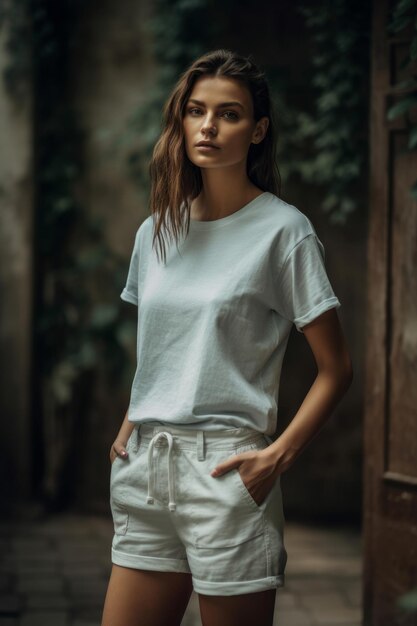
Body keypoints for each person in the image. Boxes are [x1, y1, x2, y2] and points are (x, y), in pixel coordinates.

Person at [101, 48, 353, 626]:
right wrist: (130, 424)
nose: (208, 126)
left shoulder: (284, 232)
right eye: (196, 110)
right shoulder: (156, 230)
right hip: (147, 469)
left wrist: (275, 459)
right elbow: (163, 343)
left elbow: (337, 369)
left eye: (230, 114)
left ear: (258, 130)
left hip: (227, 472)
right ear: (182, 120)